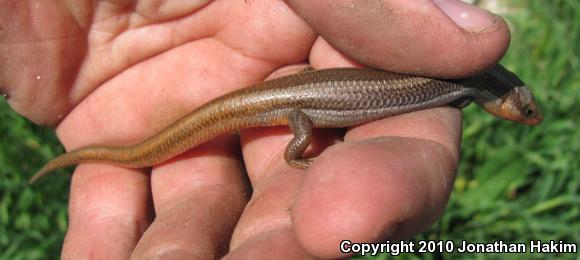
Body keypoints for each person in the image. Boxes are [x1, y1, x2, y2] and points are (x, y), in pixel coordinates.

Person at [1, 0, 511, 258]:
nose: (519, 117)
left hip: (300, 97)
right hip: (298, 106)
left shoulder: (457, 85)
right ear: (498, 96)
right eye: (522, 111)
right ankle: (292, 156)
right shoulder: (462, 81)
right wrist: (297, 150)